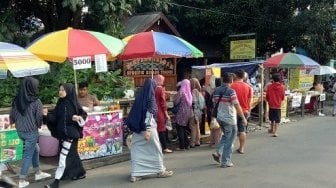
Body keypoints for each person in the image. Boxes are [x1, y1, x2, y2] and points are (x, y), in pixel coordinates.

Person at [125, 78, 173, 182]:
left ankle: (136, 174)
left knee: (137, 151)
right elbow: (149, 115)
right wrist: (147, 130)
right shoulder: (151, 99)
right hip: (149, 129)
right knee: (155, 150)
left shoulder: (139, 98)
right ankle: (160, 170)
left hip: (138, 130)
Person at [9, 77, 51, 188]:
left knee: (35, 149)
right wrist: (38, 126)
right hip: (31, 131)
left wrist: (15, 122)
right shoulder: (36, 101)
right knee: (28, 154)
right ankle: (22, 180)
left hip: (20, 131)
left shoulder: (16, 100)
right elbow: (39, 117)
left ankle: (38, 172)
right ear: (32, 87)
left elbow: (12, 116)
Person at [44, 83, 87, 188]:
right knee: (72, 155)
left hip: (71, 134)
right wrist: (46, 116)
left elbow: (83, 114)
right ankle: (80, 173)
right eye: (59, 90)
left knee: (64, 157)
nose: (60, 92)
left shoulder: (74, 103)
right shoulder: (60, 103)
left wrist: (78, 117)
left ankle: (57, 181)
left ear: (68, 91)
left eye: (63, 90)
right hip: (62, 134)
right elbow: (55, 118)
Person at [211, 72, 247, 167]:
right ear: (231, 81)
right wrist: (243, 117)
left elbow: (214, 103)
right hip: (230, 119)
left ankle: (218, 151)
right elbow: (237, 105)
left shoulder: (216, 90)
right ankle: (225, 161)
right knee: (230, 139)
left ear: (223, 80)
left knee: (226, 136)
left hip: (219, 117)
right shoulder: (231, 91)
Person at [230, 70, 253, 154]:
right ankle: (241, 148)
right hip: (244, 111)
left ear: (235, 76)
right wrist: (248, 111)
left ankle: (229, 148)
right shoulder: (248, 87)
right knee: (242, 130)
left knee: (232, 131)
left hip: (233, 111)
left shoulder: (231, 86)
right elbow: (249, 102)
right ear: (244, 77)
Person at [153, 75, 173, 153]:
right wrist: (166, 114)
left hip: (153, 111)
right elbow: (163, 103)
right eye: (162, 80)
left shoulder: (152, 88)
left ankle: (156, 147)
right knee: (162, 130)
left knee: (155, 130)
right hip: (160, 111)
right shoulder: (160, 89)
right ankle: (164, 147)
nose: (163, 82)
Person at [174, 79, 193, 151]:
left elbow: (176, 102)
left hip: (180, 112)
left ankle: (182, 146)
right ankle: (186, 145)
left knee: (180, 128)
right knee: (184, 128)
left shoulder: (181, 92)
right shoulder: (189, 93)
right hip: (187, 112)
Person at [189, 78, 204, 148]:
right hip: (199, 112)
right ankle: (198, 141)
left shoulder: (193, 91)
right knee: (197, 126)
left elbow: (194, 102)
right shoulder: (199, 91)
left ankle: (192, 143)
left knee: (193, 127)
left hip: (195, 111)